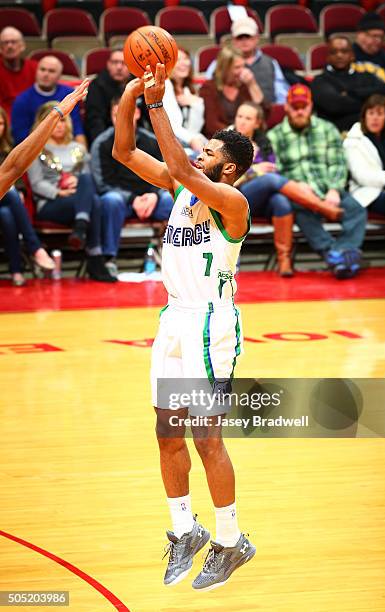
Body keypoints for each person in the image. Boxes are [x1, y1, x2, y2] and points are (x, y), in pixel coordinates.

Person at [113, 63, 256, 591]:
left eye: (211, 152)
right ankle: (184, 530)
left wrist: (158, 101)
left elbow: (177, 161)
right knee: (166, 434)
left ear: (228, 171)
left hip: (210, 327)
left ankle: (230, 540)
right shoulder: (184, 186)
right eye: (203, 148)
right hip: (173, 321)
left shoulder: (233, 204)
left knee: (206, 439)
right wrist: (130, 96)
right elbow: (124, 153)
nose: (200, 153)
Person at [268, 84, 367, 279]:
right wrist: (295, 185)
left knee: (357, 210)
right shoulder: (274, 136)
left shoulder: (327, 129)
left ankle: (337, 255)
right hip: (301, 196)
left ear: (310, 106)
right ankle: (339, 256)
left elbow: (338, 163)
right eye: (294, 106)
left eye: (303, 106)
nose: (299, 111)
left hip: (328, 189)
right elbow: (275, 171)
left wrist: (334, 190)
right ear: (286, 107)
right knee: (301, 213)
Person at [233, 102, 343, 276]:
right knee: (269, 179)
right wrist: (254, 171)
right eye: (239, 116)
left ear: (257, 123)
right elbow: (222, 180)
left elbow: (276, 169)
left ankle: (284, 261)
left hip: (262, 200)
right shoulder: (226, 141)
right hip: (234, 199)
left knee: (282, 202)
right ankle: (321, 207)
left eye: (248, 118)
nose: (242, 121)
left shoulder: (264, 142)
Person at [27, 102, 115, 283]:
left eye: (63, 121)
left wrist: (77, 184)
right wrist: (59, 192)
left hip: (79, 200)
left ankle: (81, 229)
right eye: (55, 121)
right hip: (51, 203)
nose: (60, 125)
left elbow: (89, 180)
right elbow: (36, 184)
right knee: (95, 203)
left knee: (87, 184)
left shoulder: (78, 148)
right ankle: (94, 256)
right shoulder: (36, 148)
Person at [90, 97, 173, 276]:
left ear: (136, 113)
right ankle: (109, 258)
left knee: (172, 199)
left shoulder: (153, 141)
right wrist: (132, 199)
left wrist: (155, 195)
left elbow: (168, 175)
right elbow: (101, 183)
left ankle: (173, 256)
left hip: (150, 197)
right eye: (115, 114)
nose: (120, 118)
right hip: (122, 200)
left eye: (124, 113)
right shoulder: (101, 143)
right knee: (110, 200)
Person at [344, 94, 385, 270]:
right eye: (371, 113)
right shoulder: (353, 140)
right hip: (372, 193)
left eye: (380, 113)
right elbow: (360, 175)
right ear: (364, 115)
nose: (375, 118)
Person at [0, 105, 54, 286]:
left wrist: (20, 191)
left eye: (0, 123)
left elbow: (18, 174)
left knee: (7, 216)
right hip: (6, 193)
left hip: (6, 202)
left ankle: (16, 270)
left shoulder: (8, 149)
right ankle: (35, 247)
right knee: (12, 195)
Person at [311, 35, 385, 133]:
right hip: (335, 134)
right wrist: (368, 102)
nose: (339, 55)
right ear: (328, 57)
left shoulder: (366, 76)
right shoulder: (319, 81)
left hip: (368, 133)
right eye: (333, 52)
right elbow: (335, 106)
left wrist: (352, 93)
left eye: (344, 51)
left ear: (352, 55)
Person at [205, 16, 289, 104]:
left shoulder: (271, 63)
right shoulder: (219, 63)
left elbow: (282, 95)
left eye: (248, 36)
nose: (244, 41)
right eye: (240, 37)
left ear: (257, 38)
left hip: (265, 112)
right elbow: (208, 90)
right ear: (233, 40)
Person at [11, 56, 85, 145]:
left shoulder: (69, 94)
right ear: (36, 72)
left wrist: (83, 152)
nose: (46, 74)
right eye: (42, 70)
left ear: (59, 75)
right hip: (34, 148)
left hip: (65, 146)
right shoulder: (22, 100)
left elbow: (77, 130)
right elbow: (21, 137)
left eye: (51, 71)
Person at [200, 46, 269, 139]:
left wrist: (252, 85)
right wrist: (236, 137)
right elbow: (211, 124)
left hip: (247, 138)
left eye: (243, 66)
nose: (242, 71)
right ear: (224, 69)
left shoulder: (244, 86)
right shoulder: (209, 88)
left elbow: (263, 114)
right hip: (220, 139)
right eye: (237, 67)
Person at [162, 47, 206, 157]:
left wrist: (197, 103)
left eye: (186, 59)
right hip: (168, 145)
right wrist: (192, 140)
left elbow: (194, 129)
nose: (184, 63)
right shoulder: (165, 86)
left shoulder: (188, 89)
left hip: (188, 145)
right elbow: (171, 126)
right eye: (178, 60)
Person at [85, 47, 130, 145]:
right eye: (115, 62)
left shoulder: (137, 83)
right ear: (108, 64)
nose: (119, 67)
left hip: (136, 136)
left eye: (124, 63)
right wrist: (103, 146)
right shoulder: (96, 85)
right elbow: (95, 121)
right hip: (106, 137)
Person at [0, 27, 37, 117]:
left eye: (14, 42)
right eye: (5, 42)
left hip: (32, 119)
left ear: (22, 46)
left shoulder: (36, 68)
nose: (10, 46)